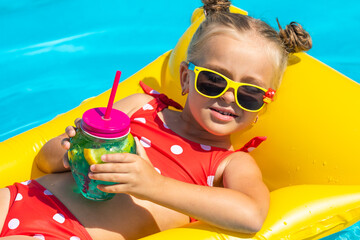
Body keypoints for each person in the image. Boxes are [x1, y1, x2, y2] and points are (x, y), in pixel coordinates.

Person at [0, 0, 312, 239]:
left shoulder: (228, 165)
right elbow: (45, 162)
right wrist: (71, 152)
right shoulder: (140, 107)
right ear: (186, 79)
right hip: (20, 197)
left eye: (250, 94)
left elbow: (251, 215)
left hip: (70, 234)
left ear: (263, 104)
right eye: (214, 82)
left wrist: (153, 185)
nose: (229, 98)